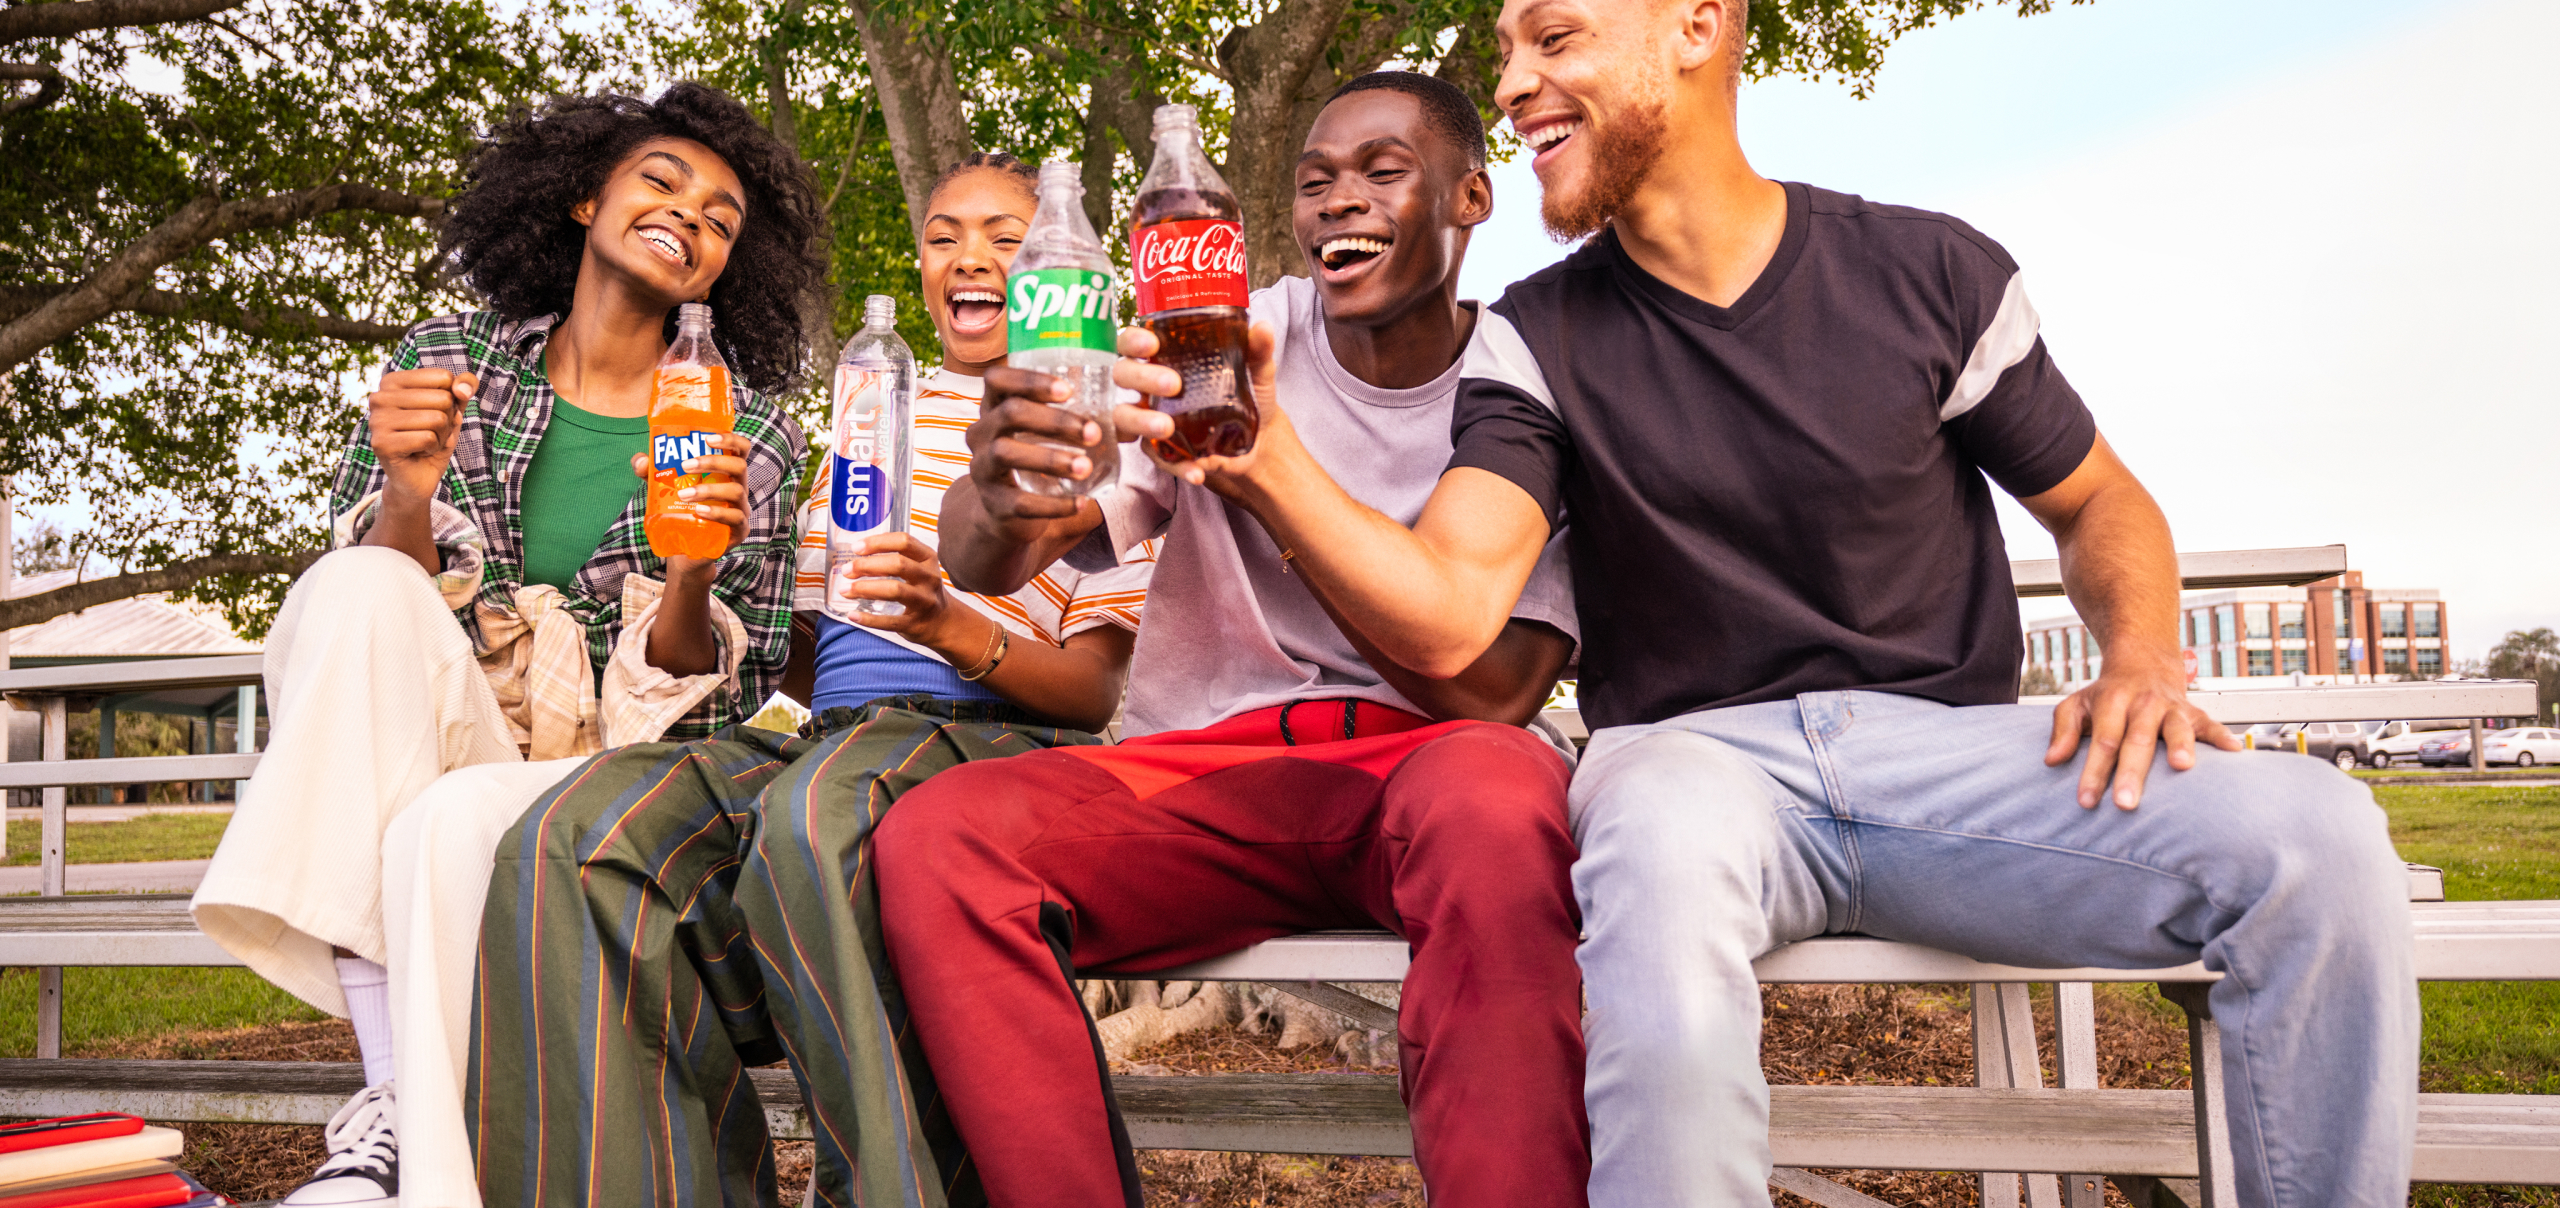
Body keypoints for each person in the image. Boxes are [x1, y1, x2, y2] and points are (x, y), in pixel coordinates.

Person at [1094, 4, 2419, 1206]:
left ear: (1696, 26)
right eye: (1505, 53)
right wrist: (1258, 454)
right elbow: (1446, 613)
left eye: (1552, 41)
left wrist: (2140, 656)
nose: (1512, 82)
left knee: (2320, 839)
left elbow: (2100, 508)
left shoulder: (1933, 273)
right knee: (1653, 881)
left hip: (1949, 763)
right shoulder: (1533, 337)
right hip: (1690, 763)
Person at [904, 72, 1591, 1208]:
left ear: (1472, 196)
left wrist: (1274, 483)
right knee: (940, 839)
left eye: (1382, 170)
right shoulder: (1225, 332)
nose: (1338, 201)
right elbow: (998, 558)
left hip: (1424, 772)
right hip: (1209, 768)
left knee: (1501, 797)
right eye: (1313, 181)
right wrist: (1000, 482)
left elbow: (1498, 692)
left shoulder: (1530, 379)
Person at [467, 152, 1157, 1208]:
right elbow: (799, 650)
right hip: (827, 735)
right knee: (580, 830)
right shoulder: (865, 414)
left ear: (1058, 271)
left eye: (1006, 239)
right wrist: (703, 557)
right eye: (942, 235)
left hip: (993, 739)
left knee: (821, 811)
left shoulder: (1094, 425)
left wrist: (949, 623)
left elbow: (1092, 693)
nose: (968, 256)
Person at [190, 84, 825, 1208]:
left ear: (728, 266)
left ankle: (395, 1164)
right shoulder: (452, 358)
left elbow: (728, 709)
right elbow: (380, 614)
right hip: (459, 727)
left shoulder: (750, 430)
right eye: (663, 181)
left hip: (614, 771)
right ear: (584, 198)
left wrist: (694, 568)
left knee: (442, 816)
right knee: (354, 582)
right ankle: (391, 1115)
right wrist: (406, 487)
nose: (693, 216)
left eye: (724, 218)